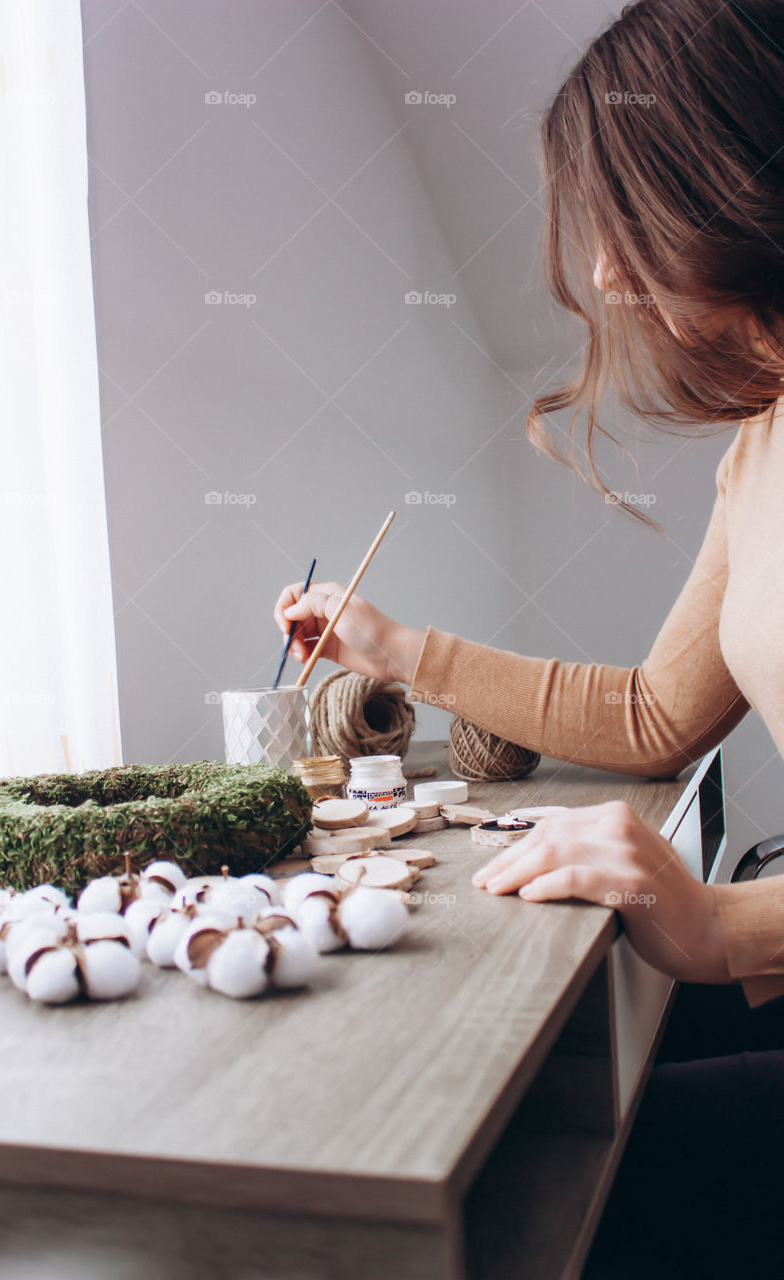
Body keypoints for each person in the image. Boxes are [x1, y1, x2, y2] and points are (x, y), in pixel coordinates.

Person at [275, 1, 784, 1273]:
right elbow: (652, 715)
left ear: (732, 179)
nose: (606, 275)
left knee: (556, 1199)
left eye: (625, 219)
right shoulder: (760, 440)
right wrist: (393, 647)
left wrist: (726, 927)